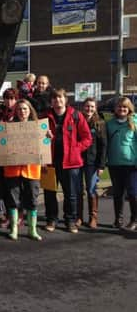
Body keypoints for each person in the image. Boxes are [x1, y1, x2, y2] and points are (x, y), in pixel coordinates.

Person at [44, 89, 92, 233]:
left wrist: (76, 149)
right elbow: (37, 138)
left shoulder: (76, 115)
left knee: (71, 194)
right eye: (54, 98)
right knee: (50, 193)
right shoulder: (44, 117)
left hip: (71, 163)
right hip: (50, 161)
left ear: (65, 100)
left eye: (59, 97)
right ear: (51, 101)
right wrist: (44, 137)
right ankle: (51, 219)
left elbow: (87, 138)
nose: (57, 100)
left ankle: (70, 220)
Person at [2, 99, 44, 241]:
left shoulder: (39, 127)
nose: (22, 112)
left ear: (30, 110)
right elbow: (2, 147)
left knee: (32, 199)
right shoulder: (8, 128)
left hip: (32, 169)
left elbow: (44, 147)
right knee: (13, 200)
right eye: (19, 109)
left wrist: (47, 137)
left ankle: (32, 229)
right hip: (13, 169)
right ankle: (14, 228)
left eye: (25, 109)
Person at [106, 97, 137, 229]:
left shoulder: (134, 122)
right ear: (115, 109)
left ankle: (134, 220)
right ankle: (118, 219)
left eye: (125, 107)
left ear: (129, 108)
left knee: (133, 193)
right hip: (114, 164)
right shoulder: (109, 124)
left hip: (131, 164)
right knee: (118, 193)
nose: (122, 109)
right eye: (119, 107)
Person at [78, 97, 106, 229]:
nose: (89, 109)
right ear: (83, 107)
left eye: (92, 107)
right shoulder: (77, 121)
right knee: (77, 190)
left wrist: (101, 165)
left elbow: (103, 146)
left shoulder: (100, 123)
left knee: (91, 190)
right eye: (87, 106)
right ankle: (78, 217)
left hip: (92, 162)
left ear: (95, 108)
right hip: (77, 160)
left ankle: (93, 217)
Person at [0, 88, 18, 228]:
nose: (9, 101)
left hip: (14, 156)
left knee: (12, 186)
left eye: (12, 98)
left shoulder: (19, 111)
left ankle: (12, 213)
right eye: (7, 98)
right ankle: (0, 213)